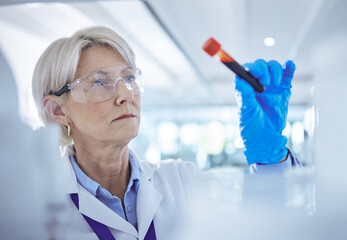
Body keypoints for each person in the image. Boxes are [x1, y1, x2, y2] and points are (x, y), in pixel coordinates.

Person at [31, 26, 301, 240]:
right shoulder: (32, 212)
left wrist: (269, 161)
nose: (125, 94)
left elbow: (261, 229)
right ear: (57, 110)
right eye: (99, 82)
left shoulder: (183, 180)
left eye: (128, 78)